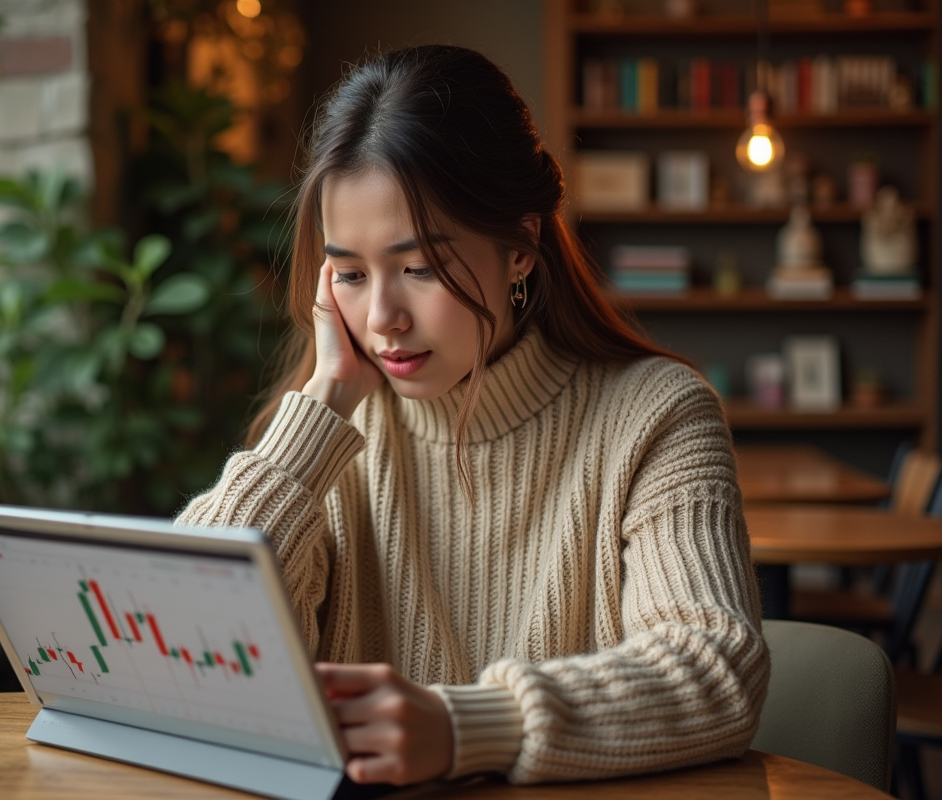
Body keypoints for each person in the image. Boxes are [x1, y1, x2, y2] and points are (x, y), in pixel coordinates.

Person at [177, 44, 768, 787]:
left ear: (520, 246)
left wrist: (470, 727)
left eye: (419, 267)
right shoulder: (328, 439)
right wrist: (322, 402)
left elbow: (715, 669)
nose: (382, 318)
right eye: (350, 274)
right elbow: (183, 642)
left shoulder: (657, 416)